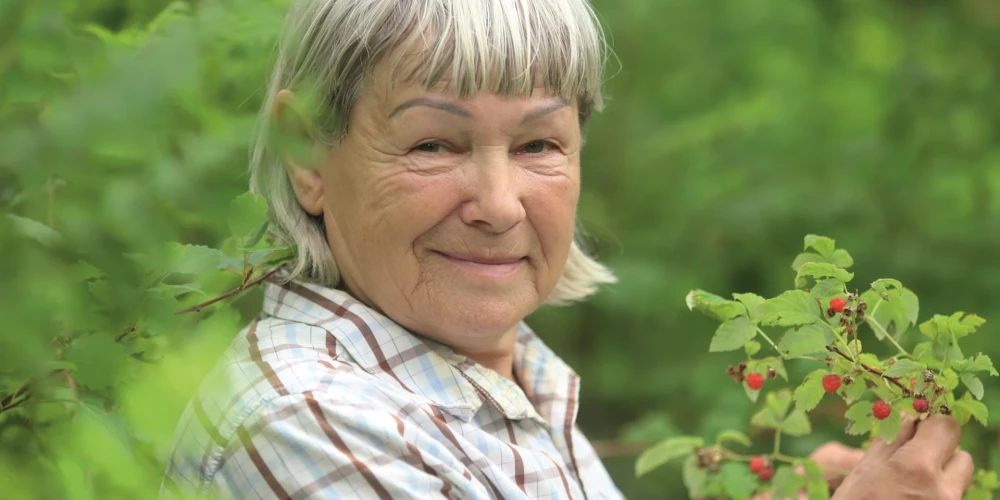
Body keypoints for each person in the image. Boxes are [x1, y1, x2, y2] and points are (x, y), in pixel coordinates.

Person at [160, 0, 974, 498]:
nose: (499, 204)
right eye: (434, 145)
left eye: (539, 145)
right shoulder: (307, 419)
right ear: (307, 155)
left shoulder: (500, 384)